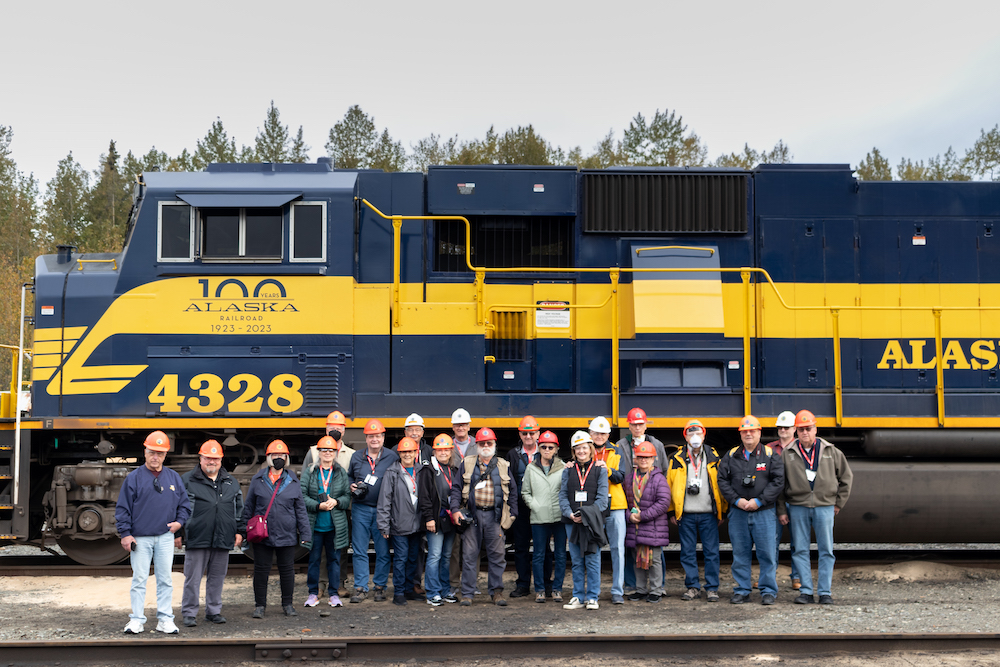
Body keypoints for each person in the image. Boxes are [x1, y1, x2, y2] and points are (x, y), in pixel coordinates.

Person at [116, 430, 191, 635]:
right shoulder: (134, 478)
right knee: (139, 579)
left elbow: (185, 505)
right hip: (140, 538)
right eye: (152, 452)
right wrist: (125, 533)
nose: (155, 457)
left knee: (165, 579)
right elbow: (123, 508)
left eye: (160, 453)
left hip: (165, 537)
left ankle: (165, 619)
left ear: (165, 455)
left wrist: (179, 523)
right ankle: (137, 620)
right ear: (145, 452)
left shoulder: (173, 477)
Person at [778, 410, 853, 605]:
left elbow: (846, 478)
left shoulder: (831, 451)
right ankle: (806, 592)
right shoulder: (789, 453)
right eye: (801, 429)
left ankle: (825, 592)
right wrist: (782, 510)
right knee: (800, 550)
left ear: (815, 429)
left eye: (808, 429)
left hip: (824, 507)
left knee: (826, 550)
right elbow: (779, 484)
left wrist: (838, 503)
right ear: (796, 430)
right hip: (798, 507)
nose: (805, 433)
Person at [717, 415, 784, 605]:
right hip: (738, 512)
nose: (748, 434)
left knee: (768, 554)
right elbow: (722, 480)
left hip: (764, 512)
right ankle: (742, 589)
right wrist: (736, 500)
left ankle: (768, 591)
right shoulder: (730, 456)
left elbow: (778, 481)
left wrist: (759, 501)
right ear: (740, 434)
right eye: (745, 431)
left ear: (759, 432)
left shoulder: (771, 455)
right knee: (740, 553)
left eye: (752, 430)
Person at [178, 439, 244, 627]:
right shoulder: (187, 480)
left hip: (223, 536)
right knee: (193, 577)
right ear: (200, 458)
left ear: (221, 460)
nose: (211, 462)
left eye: (215, 458)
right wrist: (178, 533)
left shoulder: (231, 482)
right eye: (207, 458)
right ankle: (189, 612)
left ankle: (213, 611)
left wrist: (240, 531)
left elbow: (239, 509)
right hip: (197, 536)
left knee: (217, 577)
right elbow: (178, 509)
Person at [450, 426, 518, 607]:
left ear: (494, 444)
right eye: (482, 443)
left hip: (495, 517)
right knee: (469, 555)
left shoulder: (503, 465)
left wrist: (511, 515)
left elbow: (513, 493)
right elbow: (456, 488)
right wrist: (455, 509)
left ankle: (497, 592)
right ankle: (467, 593)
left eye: (489, 443)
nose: (486, 445)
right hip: (472, 516)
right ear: (477, 445)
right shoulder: (468, 463)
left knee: (497, 556)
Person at [242, 439, 311, 618]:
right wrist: (242, 530)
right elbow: (248, 506)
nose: (278, 458)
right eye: (275, 455)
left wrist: (305, 533)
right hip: (262, 534)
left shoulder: (294, 482)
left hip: (286, 534)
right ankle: (259, 606)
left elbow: (301, 510)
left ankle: (287, 604)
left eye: (281, 455)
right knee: (261, 570)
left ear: (286, 458)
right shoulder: (257, 480)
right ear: (268, 458)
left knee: (287, 571)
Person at [667, 420, 725, 603]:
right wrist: (671, 512)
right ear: (685, 436)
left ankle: (712, 588)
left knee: (712, 552)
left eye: (698, 433)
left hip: (709, 513)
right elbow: (669, 485)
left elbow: (721, 485)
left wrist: (721, 511)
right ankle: (692, 587)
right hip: (686, 514)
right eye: (690, 433)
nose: (694, 437)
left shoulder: (714, 456)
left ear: (704, 435)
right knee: (687, 552)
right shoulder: (676, 458)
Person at [615, 407, 667, 596]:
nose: (637, 427)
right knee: (632, 549)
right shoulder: (620, 445)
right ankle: (634, 587)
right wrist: (630, 513)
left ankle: (657, 588)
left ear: (646, 424)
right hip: (630, 499)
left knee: (655, 553)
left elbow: (665, 471)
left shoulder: (656, 444)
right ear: (629, 425)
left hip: (649, 504)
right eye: (634, 424)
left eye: (640, 424)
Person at [347, 419, 399, 603]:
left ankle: (380, 587)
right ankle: (360, 588)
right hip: (360, 508)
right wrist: (351, 486)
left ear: (383, 437)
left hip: (383, 510)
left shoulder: (392, 457)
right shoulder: (356, 457)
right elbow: (349, 477)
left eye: (378, 436)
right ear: (366, 438)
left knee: (383, 550)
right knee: (359, 550)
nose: (374, 439)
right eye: (371, 436)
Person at [559, 431, 608, 611]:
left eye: (585, 448)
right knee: (577, 560)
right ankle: (578, 596)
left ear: (591, 449)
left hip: (592, 523)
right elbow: (562, 495)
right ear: (574, 451)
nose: (581, 451)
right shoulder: (568, 470)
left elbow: (602, 500)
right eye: (578, 448)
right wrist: (570, 513)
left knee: (593, 559)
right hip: (572, 521)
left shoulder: (600, 470)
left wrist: (585, 516)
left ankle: (593, 597)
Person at [301, 435, 351, 608]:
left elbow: (347, 497)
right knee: (314, 560)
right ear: (319, 452)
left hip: (335, 527)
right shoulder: (310, 471)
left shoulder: (341, 472)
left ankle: (333, 594)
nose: (328, 453)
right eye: (324, 450)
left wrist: (336, 501)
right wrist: (317, 505)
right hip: (315, 525)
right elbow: (302, 496)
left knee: (334, 560)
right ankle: (313, 593)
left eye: (331, 450)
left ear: (335, 453)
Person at [377, 437, 425, 605]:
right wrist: (384, 525)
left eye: (410, 451)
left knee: (413, 558)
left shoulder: (421, 471)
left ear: (416, 453)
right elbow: (385, 500)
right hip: (399, 524)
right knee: (400, 559)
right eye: (404, 452)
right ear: (399, 453)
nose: (407, 455)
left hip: (417, 524)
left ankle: (408, 589)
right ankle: (398, 593)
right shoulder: (392, 472)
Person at [520, 430, 567, 603]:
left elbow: (567, 490)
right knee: (539, 554)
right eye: (544, 447)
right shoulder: (531, 469)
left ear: (556, 449)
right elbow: (525, 492)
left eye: (550, 447)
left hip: (559, 517)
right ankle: (540, 589)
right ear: (539, 448)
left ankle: (557, 589)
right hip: (539, 518)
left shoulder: (563, 468)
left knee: (561, 555)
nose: (547, 449)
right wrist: (535, 506)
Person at [623, 441, 670, 603]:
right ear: (635, 459)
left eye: (647, 457)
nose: (643, 460)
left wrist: (643, 516)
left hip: (653, 527)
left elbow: (663, 502)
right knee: (638, 560)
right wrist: (629, 515)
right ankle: (641, 589)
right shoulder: (629, 479)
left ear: (653, 459)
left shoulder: (659, 479)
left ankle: (656, 590)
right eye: (641, 457)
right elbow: (624, 501)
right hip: (635, 526)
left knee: (654, 560)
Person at [418, 433, 459, 606]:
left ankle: (445, 590)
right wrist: (429, 518)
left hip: (450, 520)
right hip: (435, 519)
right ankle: (432, 592)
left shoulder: (454, 470)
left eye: (446, 450)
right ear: (434, 451)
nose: (443, 453)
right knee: (434, 555)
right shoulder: (428, 471)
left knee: (446, 555)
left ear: (451, 451)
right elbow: (424, 496)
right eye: (439, 450)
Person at [590, 416, 626, 604]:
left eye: (603, 433)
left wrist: (608, 470)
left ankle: (617, 591)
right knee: (593, 549)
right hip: (594, 507)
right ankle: (593, 592)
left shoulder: (617, 451)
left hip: (616, 505)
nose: (599, 436)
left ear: (608, 435)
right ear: (590, 434)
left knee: (617, 549)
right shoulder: (585, 451)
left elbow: (622, 476)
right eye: (596, 433)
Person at [506, 415, 542, 598]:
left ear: (538, 433)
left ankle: (543, 586)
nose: (528, 436)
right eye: (525, 433)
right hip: (521, 507)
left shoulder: (545, 452)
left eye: (532, 433)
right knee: (520, 547)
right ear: (520, 434)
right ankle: (523, 585)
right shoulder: (513, 454)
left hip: (541, 507)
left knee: (542, 548)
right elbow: (509, 482)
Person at [768, 410, 801, 590]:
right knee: (771, 541)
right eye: (780, 427)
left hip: (795, 501)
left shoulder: (801, 448)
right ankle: (769, 578)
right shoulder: (769, 449)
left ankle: (797, 578)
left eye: (786, 427)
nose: (783, 430)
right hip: (773, 502)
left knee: (798, 541)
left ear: (794, 429)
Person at [447, 408, 473, 601]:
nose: (460, 428)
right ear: (453, 427)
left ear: (469, 426)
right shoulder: (447, 445)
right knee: (455, 545)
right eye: (457, 425)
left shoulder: (477, 445)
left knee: (473, 545)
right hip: (454, 498)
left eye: (463, 424)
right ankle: (454, 583)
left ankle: (471, 584)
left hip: (474, 499)